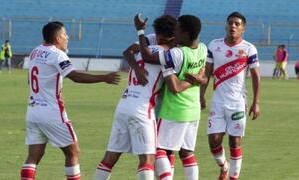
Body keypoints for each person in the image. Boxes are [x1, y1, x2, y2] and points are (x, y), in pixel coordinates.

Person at [20, 21, 120, 180]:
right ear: (58, 38)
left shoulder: (35, 51)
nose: (67, 37)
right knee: (73, 152)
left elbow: (30, 80)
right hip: (52, 112)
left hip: (33, 110)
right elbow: (75, 76)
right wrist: (103, 77)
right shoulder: (57, 55)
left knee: (34, 155)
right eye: (65, 34)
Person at [94, 14, 181, 180]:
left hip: (124, 105)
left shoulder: (143, 49)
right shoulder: (167, 56)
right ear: (173, 35)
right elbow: (173, 85)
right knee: (147, 159)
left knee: (110, 157)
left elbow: (129, 53)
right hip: (142, 109)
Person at [135, 14, 207, 180]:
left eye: (178, 29)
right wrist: (198, 80)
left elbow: (147, 57)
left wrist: (140, 31)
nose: (175, 32)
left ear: (186, 33)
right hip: (193, 110)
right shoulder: (203, 49)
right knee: (186, 152)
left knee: (157, 149)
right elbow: (202, 77)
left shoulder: (176, 54)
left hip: (175, 109)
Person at [196, 12, 261, 180]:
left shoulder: (249, 48)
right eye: (230, 23)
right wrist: (201, 95)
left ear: (243, 29)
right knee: (214, 141)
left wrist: (256, 102)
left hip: (238, 103)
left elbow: (255, 76)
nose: (233, 26)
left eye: (237, 24)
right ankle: (224, 166)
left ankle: (233, 177)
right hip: (217, 102)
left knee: (235, 142)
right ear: (226, 26)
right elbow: (207, 73)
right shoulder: (214, 45)